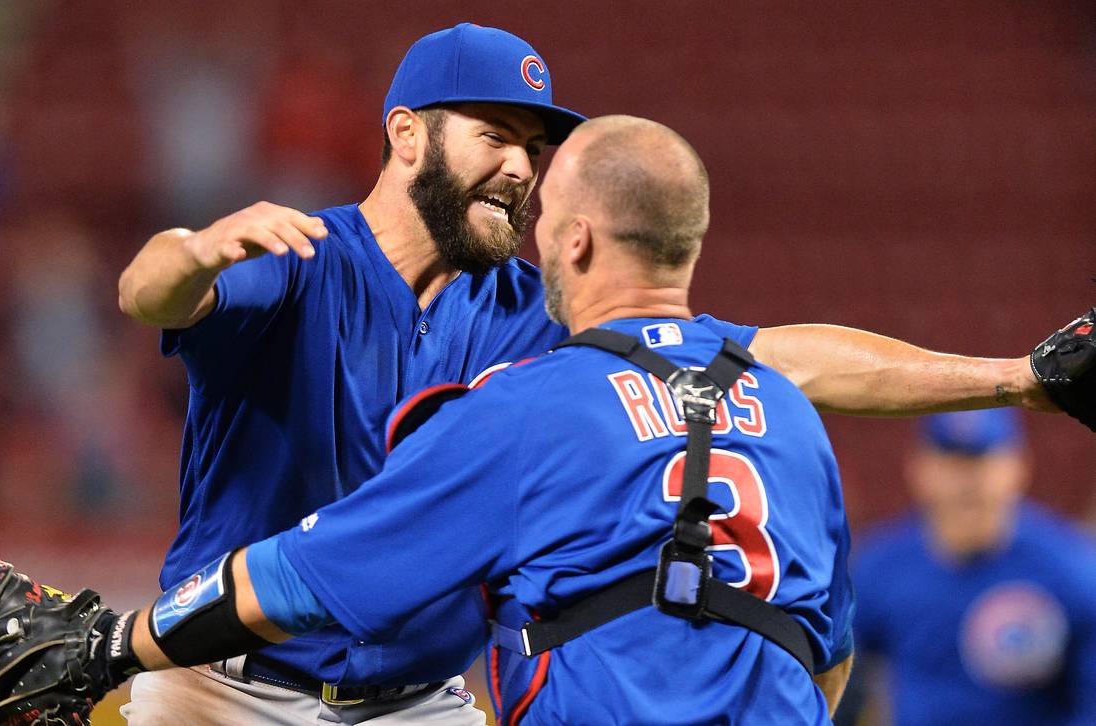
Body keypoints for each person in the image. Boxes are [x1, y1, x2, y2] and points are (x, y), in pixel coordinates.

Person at [116, 22, 1055, 725]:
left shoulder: (546, 308)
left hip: (416, 701)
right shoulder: (298, 256)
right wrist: (193, 251)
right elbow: (149, 294)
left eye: (534, 148)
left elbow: (773, 360)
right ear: (406, 136)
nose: (520, 168)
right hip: (226, 683)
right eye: (495, 135)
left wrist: (1016, 376)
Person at [848, 409, 1096, 725]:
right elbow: (837, 678)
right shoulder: (881, 567)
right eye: (952, 462)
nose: (967, 482)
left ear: (1018, 466)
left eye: (982, 461)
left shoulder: (1071, 569)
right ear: (918, 469)